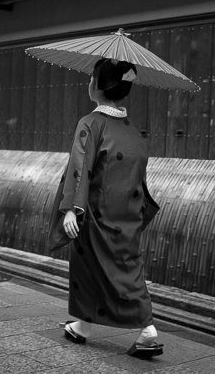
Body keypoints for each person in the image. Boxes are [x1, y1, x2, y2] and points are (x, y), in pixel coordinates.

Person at [58, 57, 163, 359]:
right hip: (126, 216)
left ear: (99, 86)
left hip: (95, 215)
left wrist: (70, 208)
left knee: (116, 273)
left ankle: (148, 331)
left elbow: (80, 168)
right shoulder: (132, 131)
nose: (89, 82)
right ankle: (82, 326)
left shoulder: (91, 123)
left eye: (92, 78)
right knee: (106, 268)